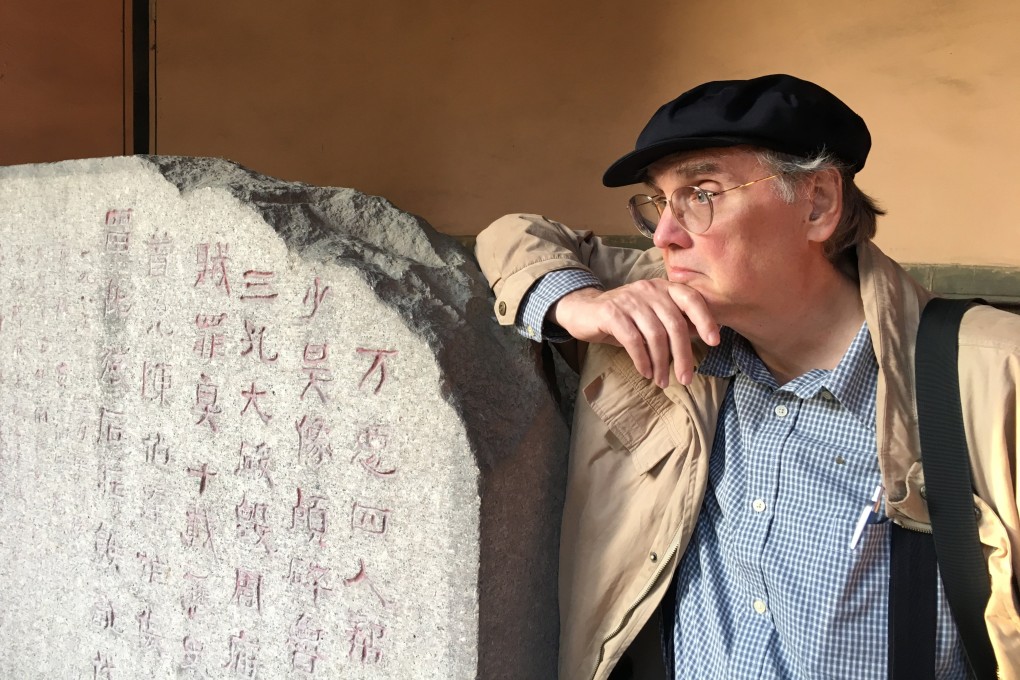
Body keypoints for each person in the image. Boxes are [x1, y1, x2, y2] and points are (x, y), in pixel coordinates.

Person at [474, 74, 1020, 680]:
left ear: (817, 203)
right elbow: (514, 236)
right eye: (659, 200)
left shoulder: (989, 371)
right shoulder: (672, 317)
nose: (664, 235)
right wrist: (579, 305)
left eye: (701, 194)